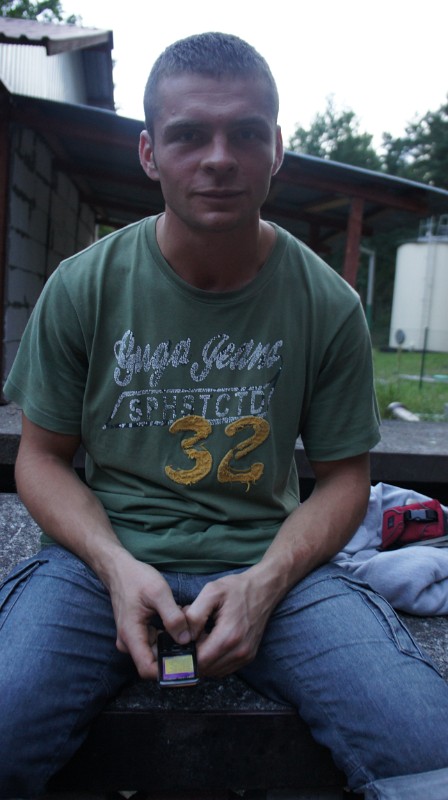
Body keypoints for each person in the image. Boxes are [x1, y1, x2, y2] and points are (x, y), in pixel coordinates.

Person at [1, 31, 447, 799]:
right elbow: (40, 458)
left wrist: (266, 583)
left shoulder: (327, 303)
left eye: (245, 133)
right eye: (189, 135)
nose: (219, 158)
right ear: (149, 153)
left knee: (425, 744)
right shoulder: (83, 285)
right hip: (97, 563)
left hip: (271, 561)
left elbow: (346, 478)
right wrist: (114, 567)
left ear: (277, 148)